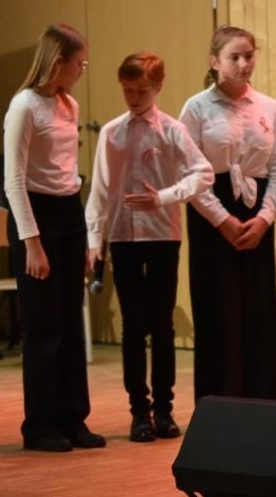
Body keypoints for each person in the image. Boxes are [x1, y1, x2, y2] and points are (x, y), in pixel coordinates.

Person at [85, 52, 211, 443]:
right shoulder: (111, 132)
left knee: (162, 324)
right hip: (123, 236)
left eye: (141, 91)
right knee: (133, 326)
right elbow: (101, 190)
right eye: (127, 90)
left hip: (162, 235)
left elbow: (203, 173)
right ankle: (138, 411)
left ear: (158, 88)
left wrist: (166, 197)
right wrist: (94, 240)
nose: (133, 98)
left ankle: (164, 409)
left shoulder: (172, 130)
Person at [180, 26, 276, 403]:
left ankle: (260, 404)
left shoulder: (269, 107)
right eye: (235, 57)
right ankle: (219, 407)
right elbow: (189, 173)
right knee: (219, 312)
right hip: (213, 213)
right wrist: (222, 220)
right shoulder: (197, 108)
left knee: (258, 313)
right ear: (215, 62)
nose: (244, 63)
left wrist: (264, 218)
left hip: (255, 214)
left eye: (249, 55)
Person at [6, 25, 98, 452]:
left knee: (69, 319)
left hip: (68, 210)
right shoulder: (24, 107)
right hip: (36, 216)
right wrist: (33, 243)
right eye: (79, 63)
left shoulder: (69, 104)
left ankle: (73, 417)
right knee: (45, 326)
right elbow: (13, 181)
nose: (83, 69)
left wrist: (81, 235)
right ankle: (41, 424)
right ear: (58, 61)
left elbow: (66, 170)